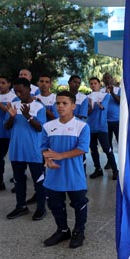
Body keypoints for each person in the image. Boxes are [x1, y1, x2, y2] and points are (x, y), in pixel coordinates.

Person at [41, 91, 90, 249]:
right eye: (58, 103)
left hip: (74, 175)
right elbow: (43, 148)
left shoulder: (81, 126)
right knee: (55, 204)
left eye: (64, 103)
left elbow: (82, 148)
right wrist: (48, 158)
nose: (60, 106)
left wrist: (61, 155)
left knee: (79, 203)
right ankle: (62, 230)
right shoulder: (48, 126)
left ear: (73, 106)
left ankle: (79, 231)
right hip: (54, 175)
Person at [4, 78, 47, 221]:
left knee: (38, 180)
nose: (18, 93)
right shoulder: (13, 105)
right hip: (17, 149)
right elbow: (7, 126)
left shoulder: (39, 107)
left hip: (34, 150)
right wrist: (11, 117)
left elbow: (40, 128)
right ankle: (21, 206)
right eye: (16, 91)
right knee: (18, 180)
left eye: (21, 90)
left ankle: (41, 207)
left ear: (29, 89)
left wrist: (28, 116)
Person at [87, 77, 118, 180]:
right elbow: (88, 112)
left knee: (107, 149)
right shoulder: (88, 97)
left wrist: (96, 103)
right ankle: (98, 169)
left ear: (99, 84)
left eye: (95, 83)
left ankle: (115, 170)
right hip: (91, 127)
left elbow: (103, 107)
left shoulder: (106, 95)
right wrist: (90, 107)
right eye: (91, 83)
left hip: (102, 127)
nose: (93, 85)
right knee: (93, 149)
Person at [102, 73, 120, 149]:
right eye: (105, 78)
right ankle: (110, 160)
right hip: (105, 121)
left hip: (117, 121)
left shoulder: (118, 89)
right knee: (108, 143)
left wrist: (112, 92)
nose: (107, 79)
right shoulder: (101, 91)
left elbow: (119, 101)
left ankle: (123, 160)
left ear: (112, 79)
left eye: (109, 78)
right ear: (103, 80)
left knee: (120, 141)